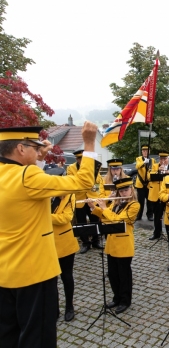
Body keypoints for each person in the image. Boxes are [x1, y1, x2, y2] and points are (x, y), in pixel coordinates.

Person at [0, 123, 98, 348]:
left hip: (5, 273)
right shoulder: (28, 176)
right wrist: (89, 143)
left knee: (8, 335)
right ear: (21, 149)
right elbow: (83, 182)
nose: (38, 151)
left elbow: (29, 189)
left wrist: (39, 157)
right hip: (33, 274)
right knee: (38, 338)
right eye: (34, 147)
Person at [88, 177, 140, 315]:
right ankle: (116, 297)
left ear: (131, 190)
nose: (123, 193)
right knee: (112, 274)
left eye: (126, 190)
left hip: (124, 245)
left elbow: (118, 220)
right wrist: (94, 207)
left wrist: (104, 207)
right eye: (121, 191)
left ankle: (125, 300)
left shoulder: (134, 205)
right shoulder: (115, 204)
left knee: (124, 275)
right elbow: (106, 217)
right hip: (111, 244)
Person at [46, 166, 79, 322]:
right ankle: (54, 308)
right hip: (47, 243)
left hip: (65, 243)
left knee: (67, 277)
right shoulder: (46, 195)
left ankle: (69, 306)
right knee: (51, 280)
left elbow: (66, 218)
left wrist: (45, 216)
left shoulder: (69, 196)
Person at [68, 149, 103, 253]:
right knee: (81, 222)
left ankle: (96, 241)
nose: (81, 161)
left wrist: (92, 174)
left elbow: (97, 181)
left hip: (92, 197)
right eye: (79, 159)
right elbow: (73, 182)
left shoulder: (93, 167)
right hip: (80, 199)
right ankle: (85, 243)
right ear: (77, 159)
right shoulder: (71, 168)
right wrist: (83, 178)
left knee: (95, 220)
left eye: (83, 159)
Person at [147, 150, 169, 240]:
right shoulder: (154, 166)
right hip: (156, 195)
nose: (163, 160)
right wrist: (158, 170)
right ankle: (157, 233)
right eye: (161, 158)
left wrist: (168, 172)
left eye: (165, 159)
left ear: (168, 159)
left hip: (167, 195)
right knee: (157, 216)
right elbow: (149, 176)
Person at [135, 144, 156, 221]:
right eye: (143, 151)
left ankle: (150, 215)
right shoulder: (139, 159)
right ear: (142, 152)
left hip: (149, 183)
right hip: (140, 183)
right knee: (140, 201)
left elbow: (153, 169)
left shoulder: (152, 160)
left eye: (146, 151)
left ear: (149, 151)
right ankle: (139, 215)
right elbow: (137, 166)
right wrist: (144, 162)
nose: (145, 152)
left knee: (149, 200)